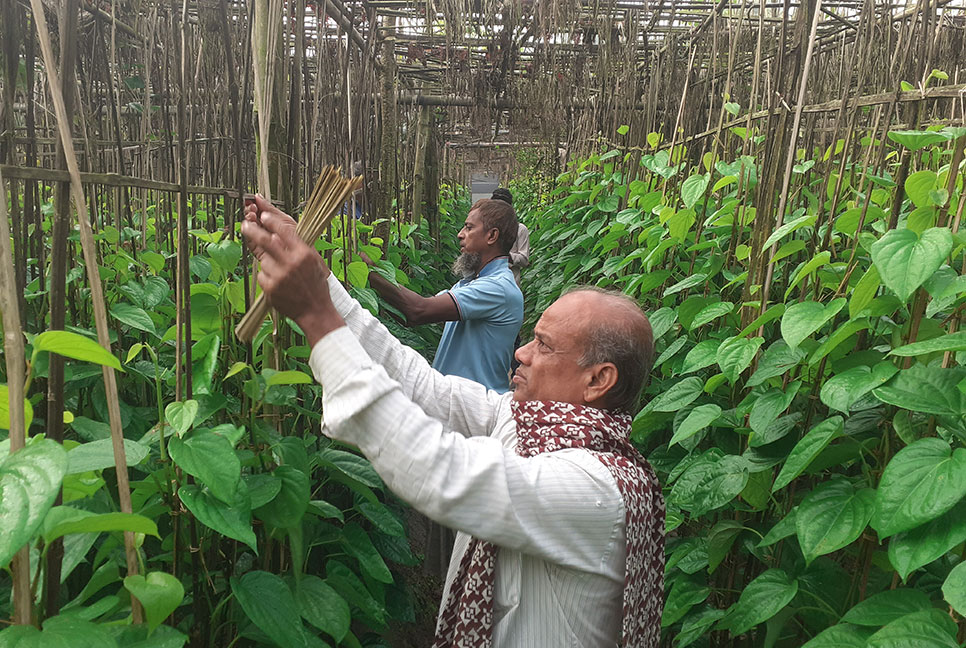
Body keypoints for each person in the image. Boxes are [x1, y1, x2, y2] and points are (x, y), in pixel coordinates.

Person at [241, 195, 665, 647]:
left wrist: (316, 319)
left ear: (598, 380)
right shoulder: (526, 423)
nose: (521, 352)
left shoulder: (598, 489)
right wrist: (321, 282)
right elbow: (423, 386)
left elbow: (440, 469)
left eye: (543, 345)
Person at [363, 198, 523, 393]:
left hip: (475, 409)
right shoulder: (470, 282)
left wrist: (369, 270)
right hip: (458, 403)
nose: (459, 235)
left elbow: (418, 310)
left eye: (469, 228)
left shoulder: (497, 288)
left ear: (492, 236)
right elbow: (410, 316)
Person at [490, 188, 529, 288]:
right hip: (487, 284)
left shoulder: (520, 229)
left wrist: (504, 256)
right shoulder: (486, 228)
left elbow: (524, 260)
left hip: (510, 285)